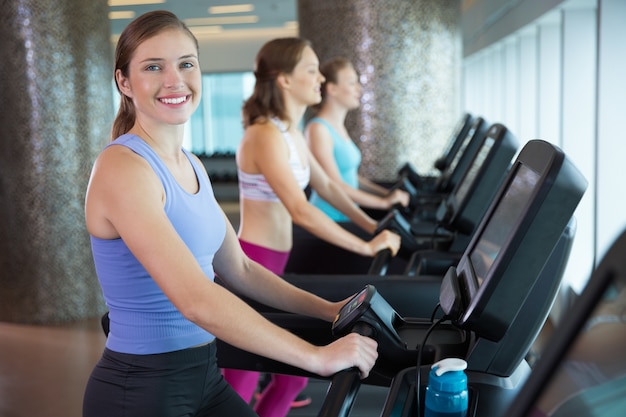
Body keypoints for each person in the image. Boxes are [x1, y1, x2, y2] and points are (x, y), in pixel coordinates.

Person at [82, 11, 379, 417]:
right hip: (141, 388)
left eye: (186, 63)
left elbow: (240, 267)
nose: (175, 80)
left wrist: (327, 310)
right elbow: (196, 299)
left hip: (204, 373)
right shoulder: (123, 168)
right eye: (154, 67)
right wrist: (316, 358)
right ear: (124, 82)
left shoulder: (191, 164)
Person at [222, 38, 401, 417]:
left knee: (291, 379)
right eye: (310, 69)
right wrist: (366, 247)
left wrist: (373, 226)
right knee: (240, 382)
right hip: (253, 261)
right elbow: (300, 210)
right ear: (284, 80)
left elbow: (329, 187)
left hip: (275, 259)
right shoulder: (264, 134)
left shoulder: (290, 132)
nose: (319, 77)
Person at [305, 57, 410, 222]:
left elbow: (351, 177)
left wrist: (386, 193)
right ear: (332, 89)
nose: (359, 89)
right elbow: (335, 185)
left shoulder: (338, 127)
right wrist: (383, 203)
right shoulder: (318, 129)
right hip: (328, 217)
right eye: (352, 83)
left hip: (348, 215)